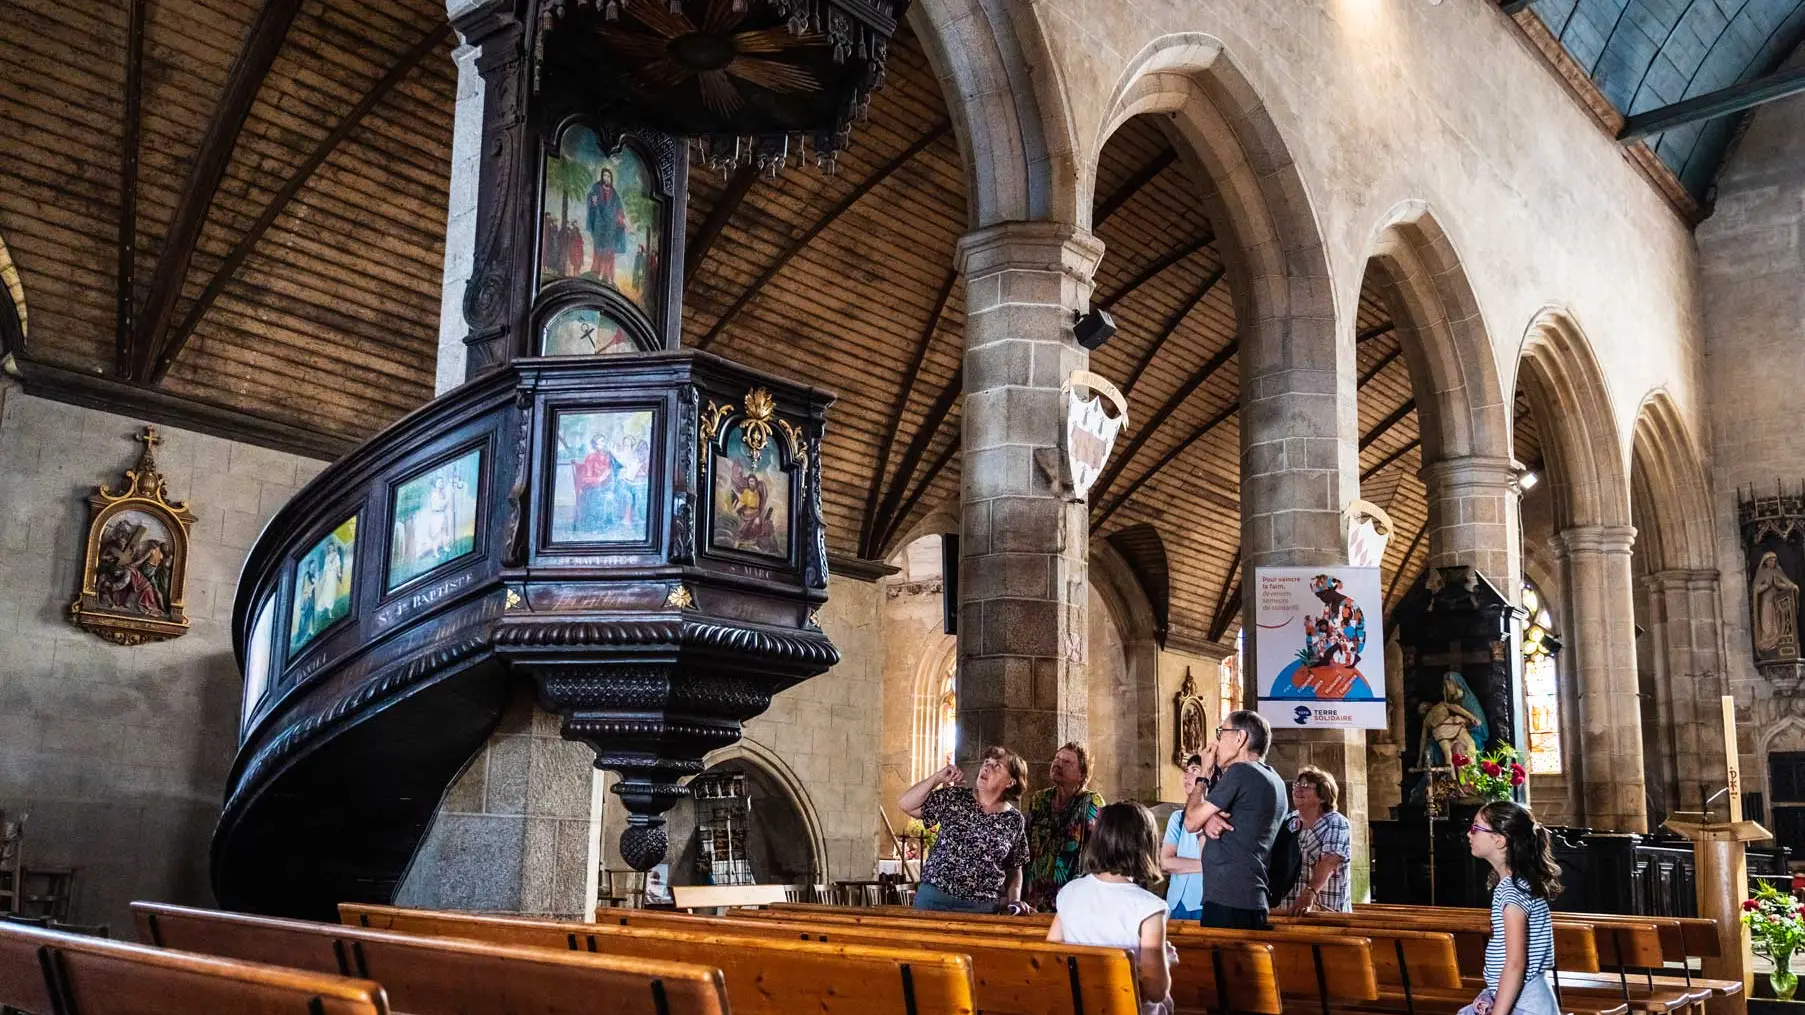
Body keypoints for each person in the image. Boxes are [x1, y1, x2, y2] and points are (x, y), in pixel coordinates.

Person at [1047, 801, 1174, 1015]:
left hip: (1079, 1007)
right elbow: (1156, 991)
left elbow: (1052, 954)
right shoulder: (1149, 907)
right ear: (1146, 845)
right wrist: (1167, 960)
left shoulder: (1069, 892)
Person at [1182, 709, 1287, 929]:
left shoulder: (1240, 771)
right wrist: (1208, 819)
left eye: (1221, 733)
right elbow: (1240, 822)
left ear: (1240, 738)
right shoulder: (1274, 779)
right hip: (1252, 898)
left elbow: (1191, 821)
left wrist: (1204, 773)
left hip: (1228, 900)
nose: (1216, 742)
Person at [899, 747, 1030, 914]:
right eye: (986, 762)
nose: (987, 767)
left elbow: (1015, 867)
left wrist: (1014, 901)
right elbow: (906, 804)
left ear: (1011, 782)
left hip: (981, 906)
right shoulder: (954, 797)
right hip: (935, 898)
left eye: (997, 766)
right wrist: (937, 778)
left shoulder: (1014, 819)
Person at [1465, 800, 1561, 1015]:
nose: (1469, 834)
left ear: (1499, 840)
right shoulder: (1514, 885)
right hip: (1518, 998)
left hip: (1527, 1005)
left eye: (1475, 827)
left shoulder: (1513, 893)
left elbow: (1515, 963)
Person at [1025, 742, 1105, 911]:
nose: (1058, 764)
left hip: (1073, 893)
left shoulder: (1091, 801)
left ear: (1082, 774)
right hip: (1035, 895)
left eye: (1067, 762)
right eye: (1057, 758)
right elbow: (1027, 842)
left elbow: (1098, 851)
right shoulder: (1039, 799)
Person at [1280, 765, 1353, 914]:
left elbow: (1330, 861)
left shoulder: (1336, 822)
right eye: (1296, 785)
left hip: (1325, 910)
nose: (1298, 789)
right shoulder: (1288, 821)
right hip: (1288, 908)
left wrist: (1309, 894)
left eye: (1306, 786)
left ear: (1323, 796)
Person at [1161, 752, 1212, 921]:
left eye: (1194, 770)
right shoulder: (1177, 818)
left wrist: (1182, 864)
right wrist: (1207, 866)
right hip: (1175, 903)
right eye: (1186, 770)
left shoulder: (1216, 819)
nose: (1186, 776)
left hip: (1203, 903)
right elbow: (1166, 862)